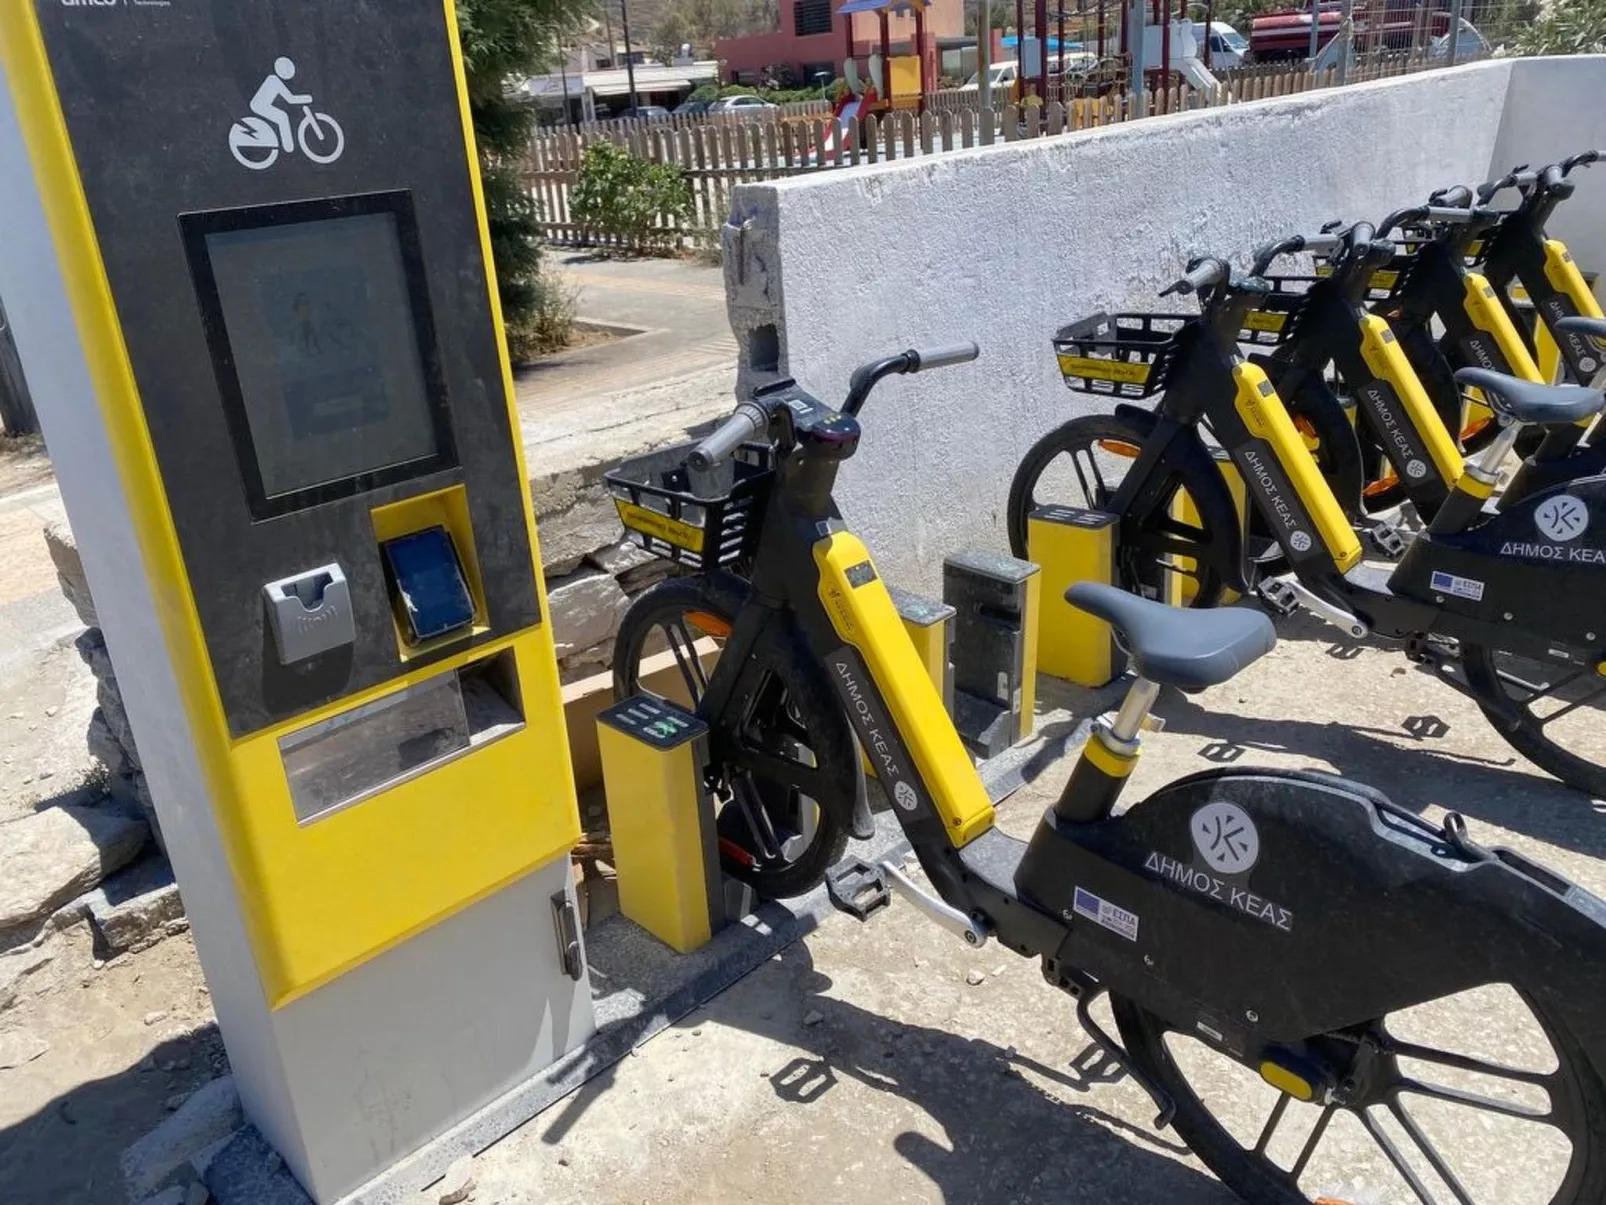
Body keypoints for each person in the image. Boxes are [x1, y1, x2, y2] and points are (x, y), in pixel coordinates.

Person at [251, 57, 313, 152]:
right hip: (259, 106)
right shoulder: (274, 80)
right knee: (282, 117)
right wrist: (306, 98)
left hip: (263, 105)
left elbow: (289, 98)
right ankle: (288, 147)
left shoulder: (275, 79)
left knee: (282, 115)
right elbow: (290, 99)